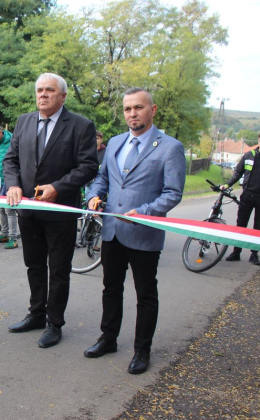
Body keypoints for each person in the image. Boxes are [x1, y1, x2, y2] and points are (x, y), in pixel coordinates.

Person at [84, 87, 186, 374]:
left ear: (152, 110)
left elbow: (173, 193)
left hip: (144, 233)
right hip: (112, 232)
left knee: (145, 294)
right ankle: (109, 338)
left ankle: (142, 350)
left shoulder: (170, 147)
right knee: (111, 289)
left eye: (138, 108)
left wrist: (144, 212)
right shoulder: (115, 143)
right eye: (128, 109)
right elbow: (102, 179)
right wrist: (93, 196)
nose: (132, 114)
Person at [3, 73, 98, 348]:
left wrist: (58, 187)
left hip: (60, 211)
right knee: (34, 265)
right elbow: (11, 160)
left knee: (58, 270)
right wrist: (13, 185)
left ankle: (54, 323)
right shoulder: (24, 121)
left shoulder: (81, 126)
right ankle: (36, 313)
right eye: (39, 90)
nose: (42, 95)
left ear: (63, 96)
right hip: (28, 212)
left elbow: (88, 166)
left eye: (49, 90)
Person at [222, 131, 260, 266]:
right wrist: (227, 185)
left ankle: (254, 254)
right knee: (241, 225)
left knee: (258, 228)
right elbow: (238, 172)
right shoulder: (249, 155)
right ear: (258, 141)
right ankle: (236, 252)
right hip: (247, 195)